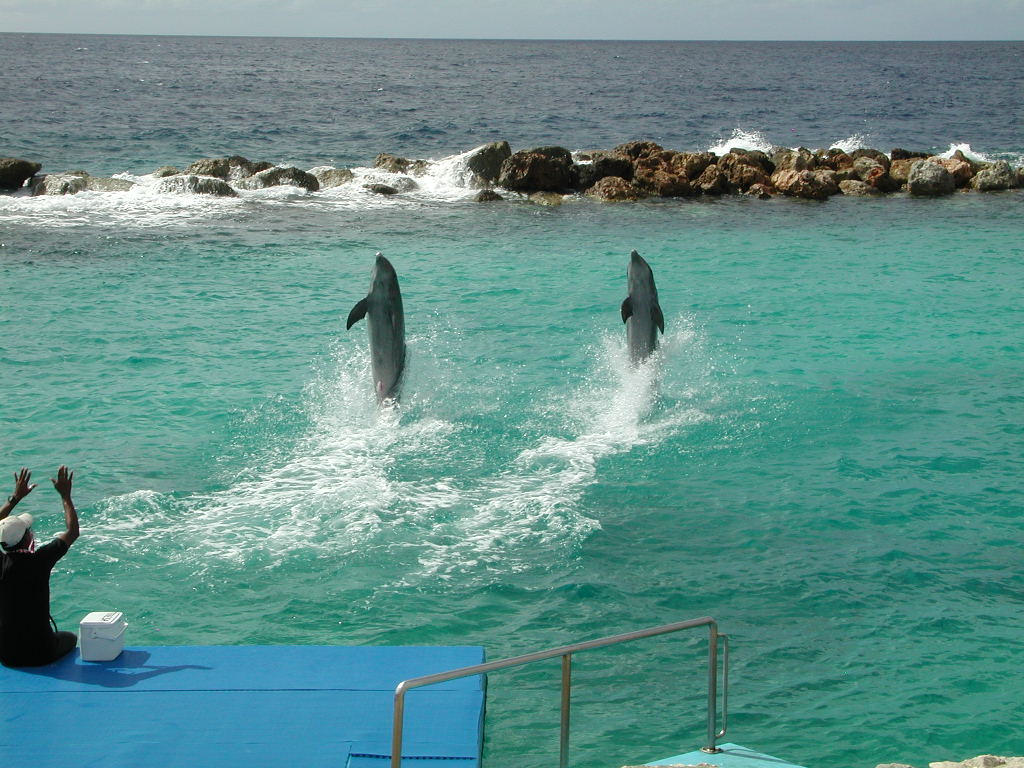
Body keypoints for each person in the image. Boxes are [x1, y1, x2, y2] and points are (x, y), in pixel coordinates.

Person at [0, 466, 80, 667]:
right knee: (70, 637)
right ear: (28, 537)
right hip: (41, 652)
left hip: (7, 654)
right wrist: (65, 496)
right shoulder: (40, 560)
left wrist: (15, 498)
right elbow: (72, 532)